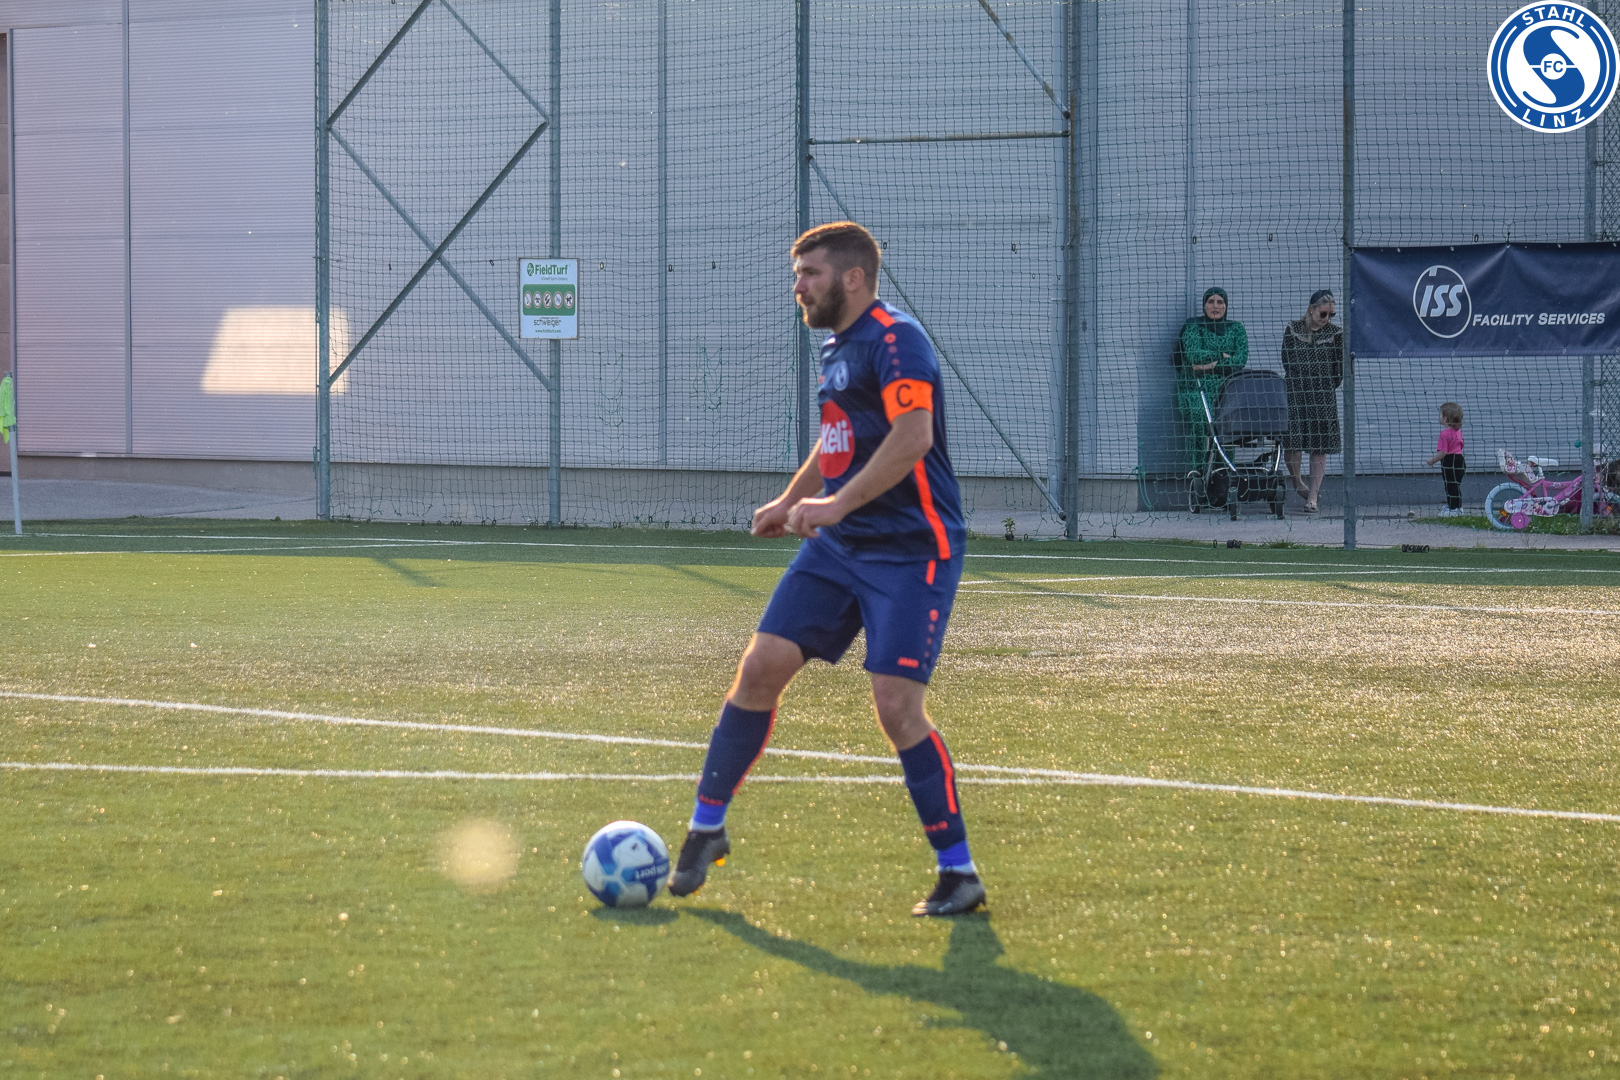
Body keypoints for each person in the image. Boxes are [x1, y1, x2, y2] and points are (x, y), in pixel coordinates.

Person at [667, 221, 983, 917]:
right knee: (760, 667)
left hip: (911, 550)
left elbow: (912, 438)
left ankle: (958, 871)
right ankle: (706, 827)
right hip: (839, 547)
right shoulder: (838, 345)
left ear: (853, 277)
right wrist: (791, 500)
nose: (799, 287)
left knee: (896, 708)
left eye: (810, 273)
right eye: (797, 274)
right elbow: (837, 437)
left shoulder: (898, 340)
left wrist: (835, 504)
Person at [1282, 289, 1344, 514]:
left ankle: (1313, 496)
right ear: (1311, 310)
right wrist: (1300, 380)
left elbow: (1339, 368)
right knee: (1293, 442)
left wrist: (1323, 384)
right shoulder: (1293, 329)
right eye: (1323, 314)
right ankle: (1297, 481)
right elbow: (1286, 360)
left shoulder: (1336, 334)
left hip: (1323, 394)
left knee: (1319, 445)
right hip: (1296, 392)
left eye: (1331, 314)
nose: (1327, 319)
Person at [1174, 287, 1248, 469]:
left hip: (1226, 389)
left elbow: (1240, 360)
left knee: (1228, 424)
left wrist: (1210, 366)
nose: (1215, 306)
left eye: (1220, 302)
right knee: (1200, 419)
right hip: (1195, 388)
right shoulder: (1193, 327)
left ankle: (1224, 472)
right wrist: (1222, 355)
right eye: (1211, 302)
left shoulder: (1236, 329)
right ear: (1204, 305)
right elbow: (1193, 355)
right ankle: (1199, 472)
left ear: (1226, 305)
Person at [1425, 402, 1465, 516]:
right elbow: (1461, 445)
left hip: (1450, 460)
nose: (1439, 417)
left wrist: (1432, 461)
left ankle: (1453, 509)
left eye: (1440, 415)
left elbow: (1443, 452)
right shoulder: (1459, 432)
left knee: (1450, 485)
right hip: (1460, 460)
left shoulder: (1444, 434)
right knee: (1455, 485)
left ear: (1445, 418)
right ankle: (1457, 506)